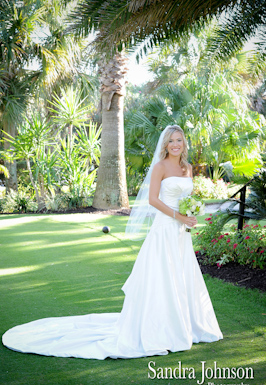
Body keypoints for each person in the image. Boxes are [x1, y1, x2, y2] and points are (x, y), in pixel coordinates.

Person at [2, 125, 223, 359]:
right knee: (162, 277)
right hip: (164, 229)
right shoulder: (159, 167)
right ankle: (163, 330)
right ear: (165, 145)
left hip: (181, 232)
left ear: (184, 143)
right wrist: (178, 216)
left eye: (179, 140)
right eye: (171, 141)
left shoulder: (187, 168)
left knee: (182, 275)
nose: (176, 144)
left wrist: (190, 213)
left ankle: (185, 324)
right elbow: (153, 200)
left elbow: (186, 197)